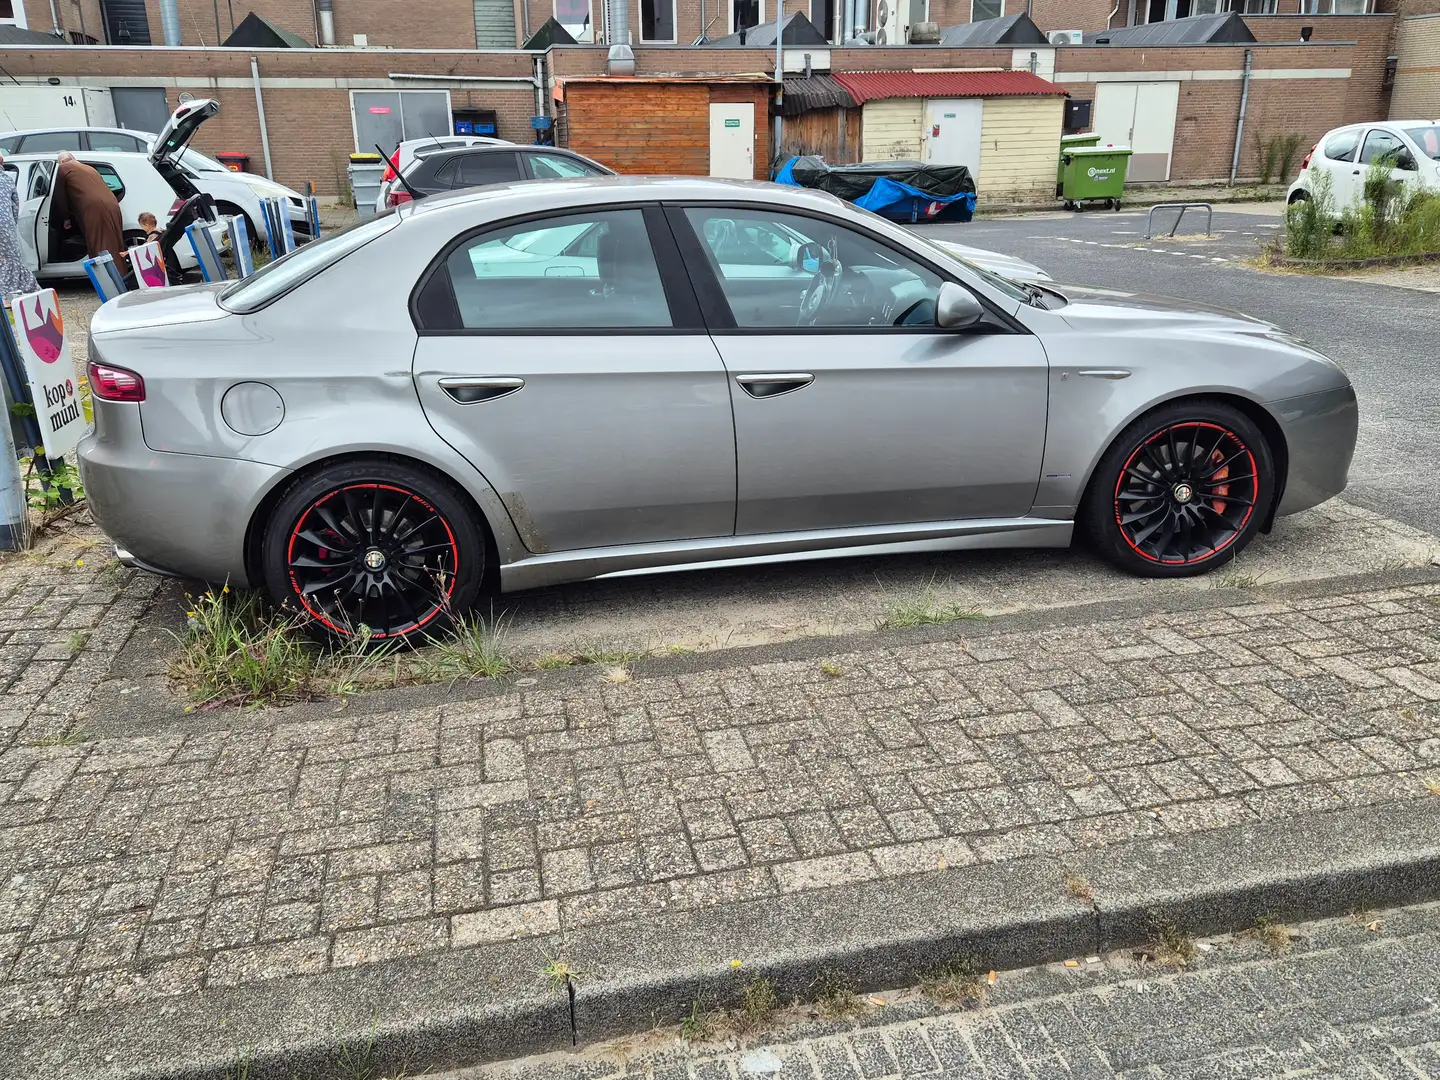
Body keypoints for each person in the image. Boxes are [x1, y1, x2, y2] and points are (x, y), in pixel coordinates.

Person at [51, 151, 125, 266]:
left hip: (93, 209)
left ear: (61, 162)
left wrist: (65, 217)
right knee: (115, 243)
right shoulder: (89, 168)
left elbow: (60, 196)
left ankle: (109, 279)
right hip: (112, 204)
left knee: (99, 245)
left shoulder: (63, 169)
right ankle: (122, 275)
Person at [0, 151, 40, 303]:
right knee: (10, 261)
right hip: (4, 228)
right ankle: (12, 296)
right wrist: (12, 224)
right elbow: (15, 206)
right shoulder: (5, 179)